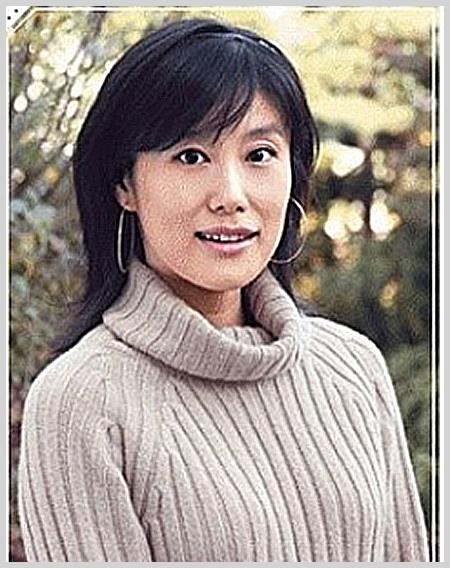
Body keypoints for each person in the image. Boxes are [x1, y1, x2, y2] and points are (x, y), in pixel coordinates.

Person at [17, 16, 429, 562]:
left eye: (259, 155)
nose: (231, 195)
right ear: (123, 184)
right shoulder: (81, 402)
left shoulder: (353, 368)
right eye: (191, 156)